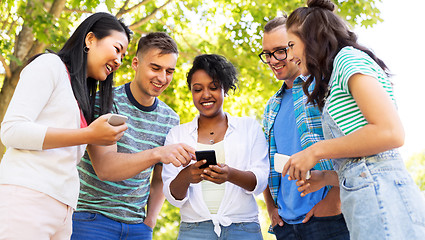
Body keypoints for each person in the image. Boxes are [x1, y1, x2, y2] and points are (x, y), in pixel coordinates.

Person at [283, 0, 425, 239]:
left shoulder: (348, 59)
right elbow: (363, 161)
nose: (290, 55)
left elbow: (390, 132)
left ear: (311, 38)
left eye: (291, 44)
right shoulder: (335, 74)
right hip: (367, 201)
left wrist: (316, 151)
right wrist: (325, 178)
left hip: (383, 199)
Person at [0, 12, 131, 239]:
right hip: (27, 198)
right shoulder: (50, 65)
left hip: (63, 208)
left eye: (123, 55)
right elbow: (12, 131)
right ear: (90, 40)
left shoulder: (81, 97)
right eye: (117, 49)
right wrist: (88, 134)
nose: (119, 60)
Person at [71, 32, 195, 240]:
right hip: (91, 221)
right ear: (136, 64)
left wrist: (150, 221)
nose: (162, 78)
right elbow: (105, 168)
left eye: (169, 71)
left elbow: (158, 179)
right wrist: (157, 153)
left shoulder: (170, 118)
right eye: (155, 68)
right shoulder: (105, 101)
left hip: (137, 228)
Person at [259, 16, 349, 240]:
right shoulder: (272, 106)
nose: (273, 60)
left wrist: (333, 202)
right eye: (267, 54)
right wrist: (271, 208)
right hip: (286, 225)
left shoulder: (324, 88)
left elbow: (351, 147)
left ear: (296, 46)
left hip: (329, 219)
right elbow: (264, 162)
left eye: (281, 50)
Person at [162, 54, 269, 239]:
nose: (205, 95)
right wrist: (187, 176)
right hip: (194, 231)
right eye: (197, 89)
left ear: (225, 89)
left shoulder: (249, 128)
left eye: (213, 87)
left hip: (243, 229)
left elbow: (260, 181)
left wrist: (230, 175)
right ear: (191, 92)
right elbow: (173, 196)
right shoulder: (177, 135)